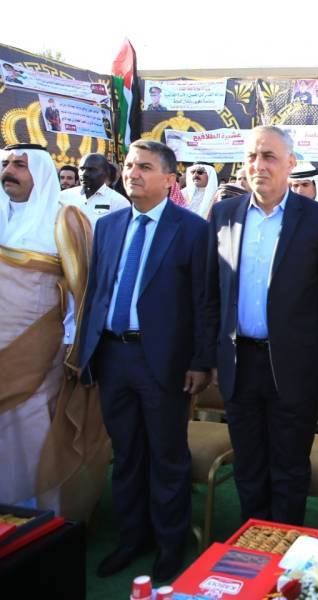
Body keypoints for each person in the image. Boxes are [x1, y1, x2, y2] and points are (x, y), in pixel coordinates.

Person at [205, 126, 318, 526]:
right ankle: (255, 547)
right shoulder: (224, 214)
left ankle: (285, 551)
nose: (259, 165)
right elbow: (211, 292)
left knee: (289, 469)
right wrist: (210, 356)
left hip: (296, 367)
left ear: (290, 164)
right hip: (238, 364)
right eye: (251, 157)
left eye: (269, 156)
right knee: (249, 467)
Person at [76, 140, 211, 581]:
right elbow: (98, 291)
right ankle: (132, 538)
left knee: (166, 456)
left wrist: (200, 360)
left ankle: (170, 545)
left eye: (145, 167)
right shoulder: (109, 225)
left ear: (170, 179)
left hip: (164, 362)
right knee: (127, 454)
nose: (133, 173)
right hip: (113, 356)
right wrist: (87, 351)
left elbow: (204, 301)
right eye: (130, 165)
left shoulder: (192, 230)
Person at [0, 143, 97, 519]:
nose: (9, 171)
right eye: (6, 164)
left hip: (42, 349)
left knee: (32, 429)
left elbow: (80, 290)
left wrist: (74, 347)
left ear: (39, 172)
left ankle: (39, 518)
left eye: (19, 165)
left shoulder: (63, 219)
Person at [58, 153, 131, 223]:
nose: (84, 174)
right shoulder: (63, 197)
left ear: (105, 173)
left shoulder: (119, 202)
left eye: (91, 170)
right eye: (82, 169)